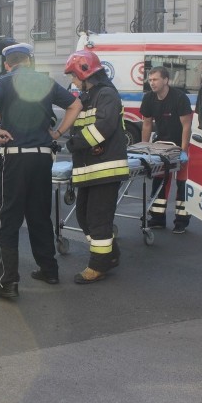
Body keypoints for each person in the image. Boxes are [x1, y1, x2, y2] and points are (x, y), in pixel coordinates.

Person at [0, 43, 82, 299]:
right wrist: (57, 133)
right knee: (39, 215)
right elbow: (75, 106)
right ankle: (49, 270)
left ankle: (8, 282)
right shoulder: (44, 82)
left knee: (8, 219)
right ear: (30, 62)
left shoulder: (5, 81)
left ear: (7, 64)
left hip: (15, 159)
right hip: (43, 158)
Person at [64, 50, 129, 284]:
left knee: (98, 219)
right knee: (83, 216)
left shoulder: (106, 95)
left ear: (84, 72)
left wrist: (74, 143)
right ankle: (110, 255)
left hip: (106, 169)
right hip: (89, 169)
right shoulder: (88, 96)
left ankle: (98, 266)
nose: (72, 80)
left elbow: (104, 126)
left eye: (73, 75)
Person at [139, 66, 192, 234]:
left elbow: (186, 126)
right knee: (159, 182)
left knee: (182, 183)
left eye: (155, 79)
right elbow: (147, 124)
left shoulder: (179, 98)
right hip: (161, 146)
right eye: (150, 79)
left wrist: (183, 151)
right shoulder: (149, 98)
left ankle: (181, 221)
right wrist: (143, 149)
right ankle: (157, 219)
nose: (151, 83)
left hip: (179, 144)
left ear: (166, 80)